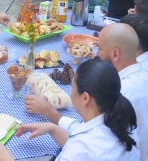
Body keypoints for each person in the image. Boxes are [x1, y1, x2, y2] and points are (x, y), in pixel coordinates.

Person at [24, 23, 148, 160]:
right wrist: (53, 128)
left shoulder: (124, 92)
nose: (95, 54)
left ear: (115, 53)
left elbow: (90, 143)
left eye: (99, 48)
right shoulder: (135, 82)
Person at [0, 60, 139, 160]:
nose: (70, 92)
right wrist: (53, 129)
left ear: (85, 98)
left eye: (73, 88)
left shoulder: (79, 150)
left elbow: (83, 150)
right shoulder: (124, 123)